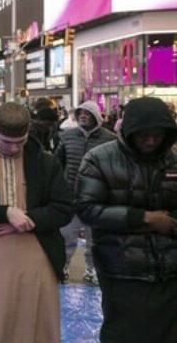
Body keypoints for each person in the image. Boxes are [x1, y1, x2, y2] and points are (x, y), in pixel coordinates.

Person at [0, 102, 73, 342]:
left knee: (35, 325)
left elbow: (64, 209)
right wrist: (5, 212)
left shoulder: (46, 162)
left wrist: (25, 220)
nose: (14, 148)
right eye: (7, 142)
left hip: (37, 254)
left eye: (21, 141)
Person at [76, 96, 177, 342]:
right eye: (144, 135)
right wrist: (144, 218)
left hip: (170, 267)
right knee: (125, 334)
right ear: (130, 131)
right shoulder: (99, 159)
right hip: (121, 269)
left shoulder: (173, 159)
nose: (151, 141)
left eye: (157, 135)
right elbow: (87, 208)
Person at [54, 101, 116, 284]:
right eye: (80, 112)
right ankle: (60, 267)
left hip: (98, 199)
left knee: (95, 240)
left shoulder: (111, 139)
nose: (83, 116)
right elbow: (58, 165)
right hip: (71, 197)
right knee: (65, 237)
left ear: (96, 116)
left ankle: (93, 269)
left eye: (88, 113)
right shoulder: (66, 136)